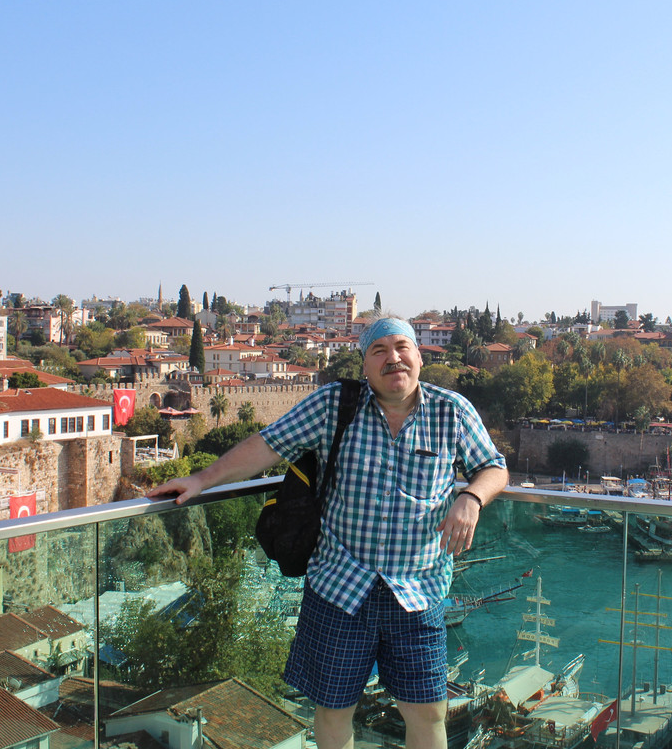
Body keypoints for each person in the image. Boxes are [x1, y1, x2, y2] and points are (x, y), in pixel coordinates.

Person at [148, 316, 508, 749]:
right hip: (340, 587)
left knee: (429, 713)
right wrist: (202, 479)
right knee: (334, 711)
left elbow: (493, 467)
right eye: (380, 351)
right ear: (365, 365)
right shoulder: (335, 406)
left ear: (417, 355)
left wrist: (471, 497)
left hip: (419, 589)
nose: (393, 358)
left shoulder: (452, 411)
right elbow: (267, 444)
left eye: (402, 347)